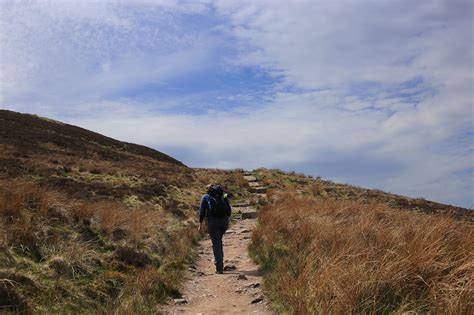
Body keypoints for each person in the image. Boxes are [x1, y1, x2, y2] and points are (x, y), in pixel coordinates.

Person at [198, 184, 232, 274]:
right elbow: (229, 210)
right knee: (219, 241)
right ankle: (220, 261)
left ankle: (219, 268)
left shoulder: (205, 197)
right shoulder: (222, 195)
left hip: (213, 222)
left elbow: (201, 211)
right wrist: (226, 219)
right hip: (224, 222)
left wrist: (200, 223)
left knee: (216, 243)